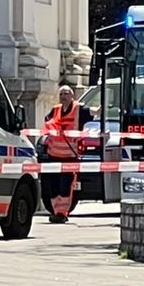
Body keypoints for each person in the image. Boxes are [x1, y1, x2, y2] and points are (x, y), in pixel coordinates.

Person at [40, 84, 94, 224]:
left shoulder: (79, 109)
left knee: (66, 185)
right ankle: (55, 211)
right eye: (62, 94)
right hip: (54, 155)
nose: (64, 96)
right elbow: (47, 123)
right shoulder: (55, 110)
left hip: (70, 156)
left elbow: (93, 113)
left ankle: (62, 213)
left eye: (66, 94)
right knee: (54, 185)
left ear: (72, 96)